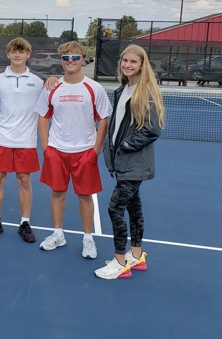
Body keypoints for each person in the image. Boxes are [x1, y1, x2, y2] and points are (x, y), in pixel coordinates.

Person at [33, 41, 112, 258]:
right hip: (56, 151)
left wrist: (95, 150)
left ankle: (88, 239)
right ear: (61, 61)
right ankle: (58, 234)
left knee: (85, 195)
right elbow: (43, 116)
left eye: (75, 58)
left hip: (84, 152)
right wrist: (45, 147)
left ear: (83, 60)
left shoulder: (94, 88)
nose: (70, 61)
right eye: (66, 58)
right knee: (57, 192)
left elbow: (103, 120)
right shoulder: (52, 87)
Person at [95, 44, 164, 280]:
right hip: (123, 162)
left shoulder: (146, 92)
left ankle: (120, 261)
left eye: (133, 62)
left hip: (134, 163)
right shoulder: (122, 90)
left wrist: (123, 147)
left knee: (115, 208)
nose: (127, 65)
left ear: (142, 65)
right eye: (125, 61)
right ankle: (136, 255)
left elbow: (151, 130)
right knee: (134, 208)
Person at [0, 37, 45, 242]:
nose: (17, 54)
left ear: (28, 54)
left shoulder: (41, 80)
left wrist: (54, 78)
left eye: (22, 51)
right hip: (1, 138)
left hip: (26, 141)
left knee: (24, 180)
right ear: (8, 54)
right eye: (13, 51)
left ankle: (25, 223)